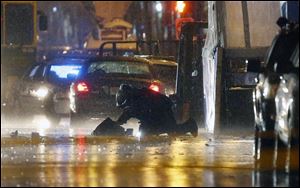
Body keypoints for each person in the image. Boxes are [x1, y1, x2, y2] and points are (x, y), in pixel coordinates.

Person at [113, 84, 198, 137]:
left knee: (173, 131)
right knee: (146, 134)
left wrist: (116, 124)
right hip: (153, 116)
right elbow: (127, 114)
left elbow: (128, 113)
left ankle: (190, 125)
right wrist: (117, 124)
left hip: (163, 111)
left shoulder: (138, 99)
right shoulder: (135, 99)